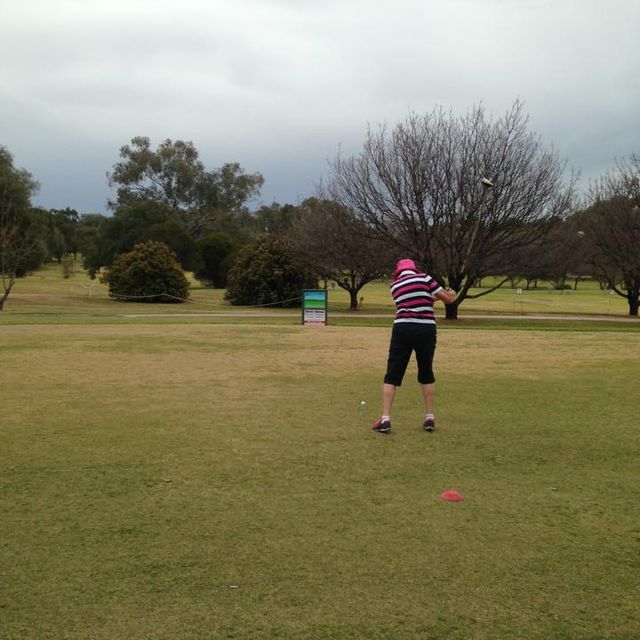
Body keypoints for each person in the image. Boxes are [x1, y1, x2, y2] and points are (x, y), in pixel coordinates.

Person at [372, 258, 457, 434]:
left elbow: (423, 299)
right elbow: (447, 300)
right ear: (414, 269)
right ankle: (430, 417)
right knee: (426, 371)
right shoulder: (425, 278)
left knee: (392, 373)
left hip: (402, 328)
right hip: (425, 329)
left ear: (399, 272)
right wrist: (451, 293)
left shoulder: (394, 286)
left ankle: (385, 419)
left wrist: (438, 296)